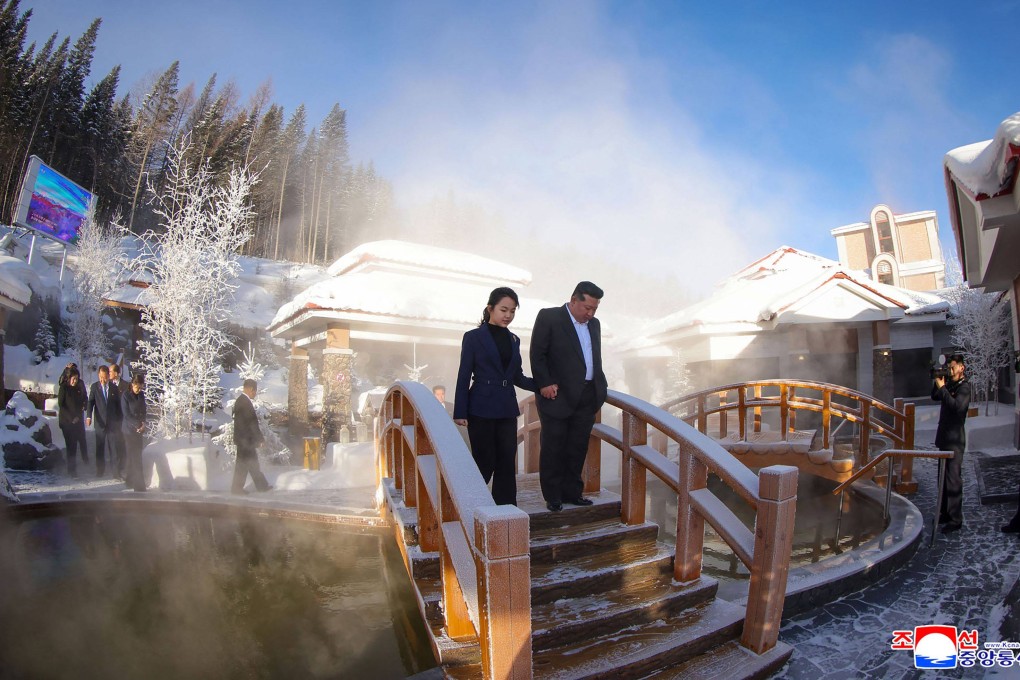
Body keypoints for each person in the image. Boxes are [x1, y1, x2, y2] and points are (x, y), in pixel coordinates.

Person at [453, 288, 536, 506]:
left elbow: (517, 376)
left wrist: (542, 385)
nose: (508, 315)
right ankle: (470, 506)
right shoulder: (473, 337)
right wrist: (460, 411)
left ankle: (506, 509)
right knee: (484, 460)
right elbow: (464, 375)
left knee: (507, 461)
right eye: (503, 310)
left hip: (507, 407)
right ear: (490, 308)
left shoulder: (514, 339)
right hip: (481, 407)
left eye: (512, 311)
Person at [530, 281, 608, 512]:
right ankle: (553, 496)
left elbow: (593, 357)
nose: (591, 314)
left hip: (587, 395)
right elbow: (537, 354)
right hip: (557, 394)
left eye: (595, 309)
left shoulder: (594, 325)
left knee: (578, 446)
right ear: (574, 300)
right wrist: (544, 383)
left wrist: (599, 388)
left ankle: (573, 493)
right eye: (587, 308)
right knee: (554, 446)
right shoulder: (549, 317)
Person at [932, 353, 971, 534]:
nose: (951, 370)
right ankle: (945, 513)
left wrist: (943, 389)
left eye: (953, 367)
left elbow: (956, 407)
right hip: (944, 438)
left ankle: (956, 519)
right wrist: (938, 381)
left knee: (953, 480)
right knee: (942, 479)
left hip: (955, 441)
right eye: (949, 368)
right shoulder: (950, 384)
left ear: (962, 368)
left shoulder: (964, 388)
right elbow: (935, 396)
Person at [231, 379, 272, 494]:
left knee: (250, 464)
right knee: (245, 465)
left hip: (244, 440)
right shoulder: (244, 402)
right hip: (245, 440)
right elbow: (252, 423)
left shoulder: (241, 401)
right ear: (251, 390)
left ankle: (259, 486)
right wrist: (259, 439)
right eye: (255, 391)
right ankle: (238, 489)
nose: (255, 393)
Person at [86, 365, 121, 477]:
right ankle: (100, 470)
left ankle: (116, 472)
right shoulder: (95, 387)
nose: (103, 380)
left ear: (108, 376)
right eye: (101, 377)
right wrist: (88, 416)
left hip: (112, 423)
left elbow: (118, 405)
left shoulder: (114, 388)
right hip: (100, 422)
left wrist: (119, 421)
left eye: (105, 378)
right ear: (98, 375)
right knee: (100, 448)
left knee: (113, 448)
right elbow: (90, 402)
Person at [57, 367, 89, 477]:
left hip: (77, 420)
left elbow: (83, 400)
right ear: (69, 378)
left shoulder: (78, 388)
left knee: (74, 444)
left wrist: (83, 408)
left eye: (76, 379)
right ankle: (71, 469)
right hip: (66, 421)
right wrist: (71, 418)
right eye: (73, 379)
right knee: (70, 444)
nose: (75, 381)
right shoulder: (64, 388)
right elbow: (61, 405)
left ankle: (73, 469)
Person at [121, 374, 148, 492]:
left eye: (141, 388)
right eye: (137, 387)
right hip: (129, 430)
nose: (139, 390)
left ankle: (129, 479)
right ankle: (139, 485)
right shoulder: (126, 396)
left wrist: (143, 423)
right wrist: (137, 425)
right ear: (133, 384)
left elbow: (144, 410)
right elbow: (126, 414)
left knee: (135, 455)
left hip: (139, 430)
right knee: (135, 456)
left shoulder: (141, 395)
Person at [107, 364, 129, 479]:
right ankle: (115, 470)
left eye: (110, 371)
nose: (109, 373)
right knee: (113, 445)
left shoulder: (125, 385)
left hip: (122, 419)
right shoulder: (107, 385)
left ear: (116, 373)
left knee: (121, 445)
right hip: (112, 420)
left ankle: (121, 467)